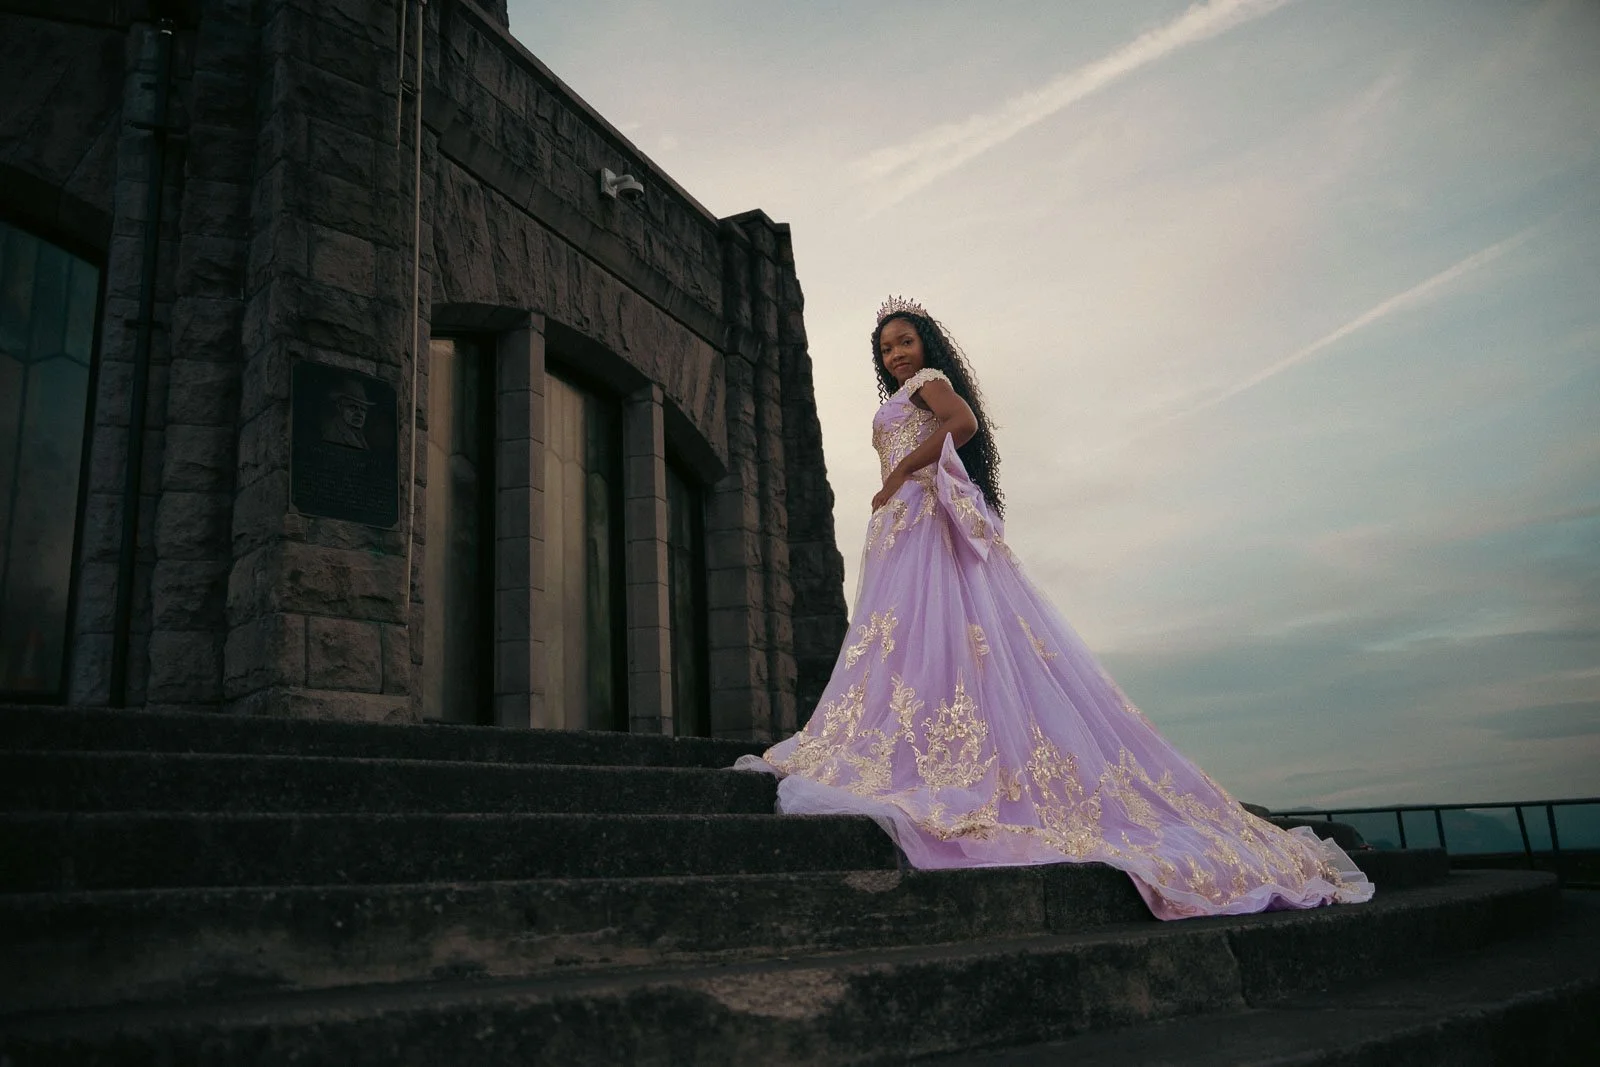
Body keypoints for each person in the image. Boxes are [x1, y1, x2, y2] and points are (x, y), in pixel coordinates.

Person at [736, 296, 1373, 920]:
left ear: (926, 343)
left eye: (905, 340)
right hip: (904, 524)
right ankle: (923, 743)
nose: (897, 353)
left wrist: (902, 471)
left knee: (951, 632)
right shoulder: (898, 398)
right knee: (912, 643)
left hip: (925, 514)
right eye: (886, 347)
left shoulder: (931, 383)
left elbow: (963, 426)